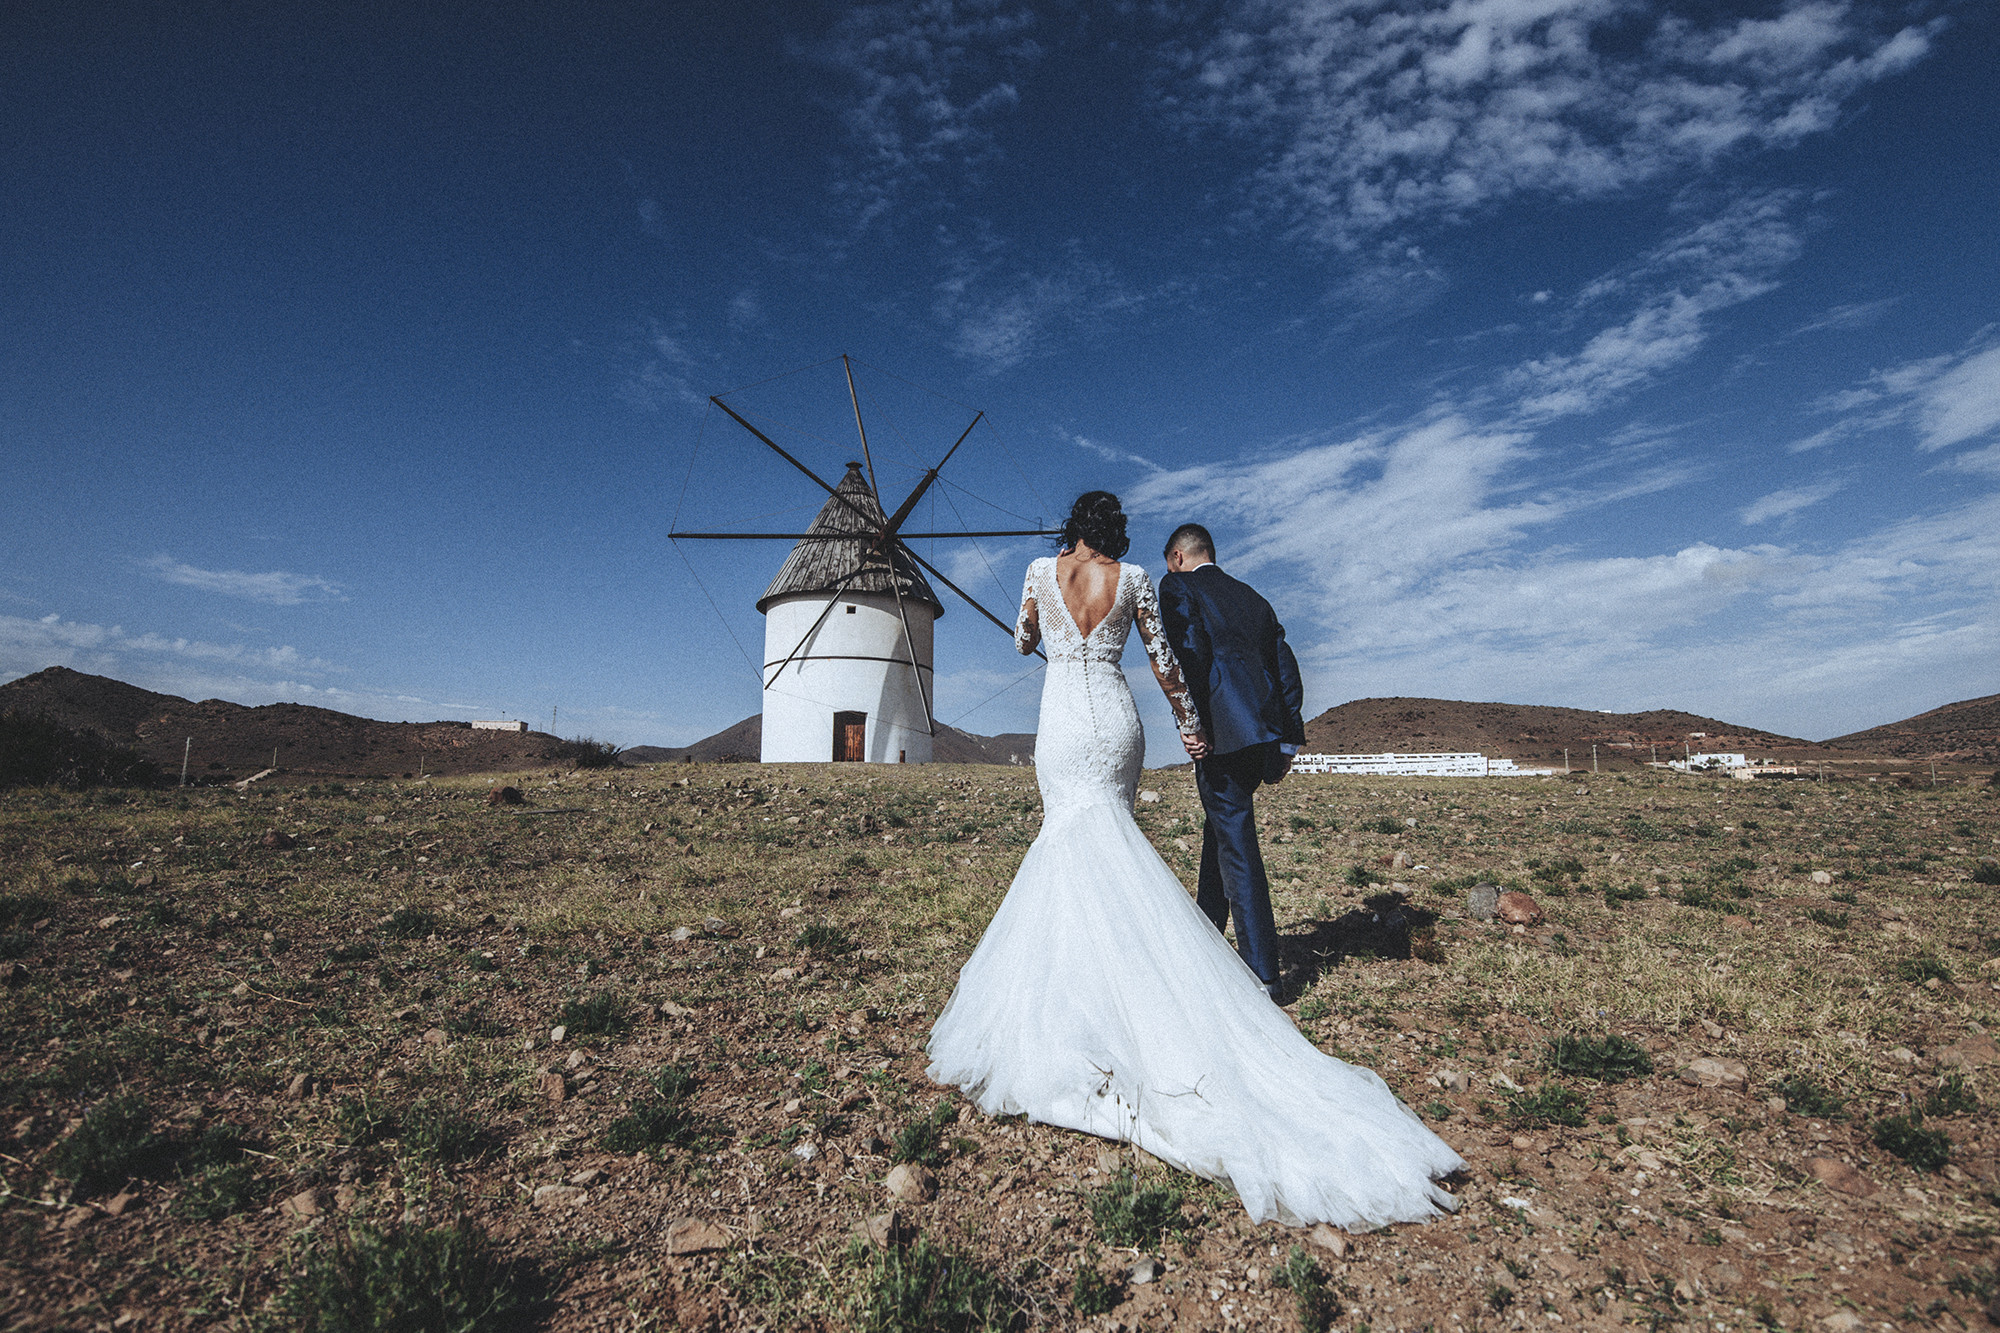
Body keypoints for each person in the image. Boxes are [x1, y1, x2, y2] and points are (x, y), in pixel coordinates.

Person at [926, 492, 1463, 1229]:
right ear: (1114, 533)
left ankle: (1078, 994)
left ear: (1072, 530)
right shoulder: (1139, 577)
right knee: (1110, 838)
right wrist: (1191, 733)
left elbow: (1024, 641)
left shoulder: (1036, 572)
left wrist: (1047, 625)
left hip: (1060, 719)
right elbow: (1165, 665)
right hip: (1115, 721)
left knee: (1067, 839)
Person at [1157, 522, 1304, 1001]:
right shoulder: (1253, 598)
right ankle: (1205, 941)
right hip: (1262, 733)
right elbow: (1283, 665)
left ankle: (1265, 973)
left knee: (1237, 842)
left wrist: (1190, 724)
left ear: (1178, 557)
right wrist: (1287, 742)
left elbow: (1189, 654)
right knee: (1220, 832)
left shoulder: (1177, 585)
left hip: (1220, 734)